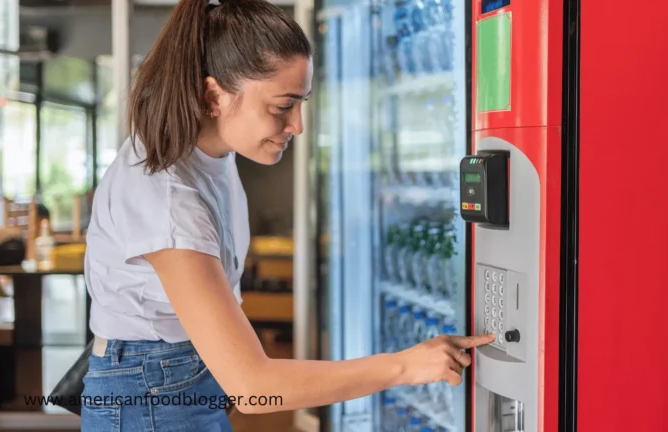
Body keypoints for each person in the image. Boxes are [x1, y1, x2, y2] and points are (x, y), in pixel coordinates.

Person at [81, 0, 495, 430]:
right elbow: (251, 385)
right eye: (282, 106)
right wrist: (405, 367)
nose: (297, 124)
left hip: (174, 380)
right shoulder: (168, 200)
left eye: (302, 103)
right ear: (212, 96)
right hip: (150, 396)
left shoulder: (205, 154)